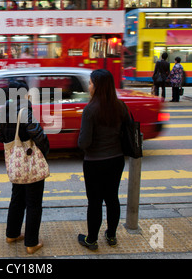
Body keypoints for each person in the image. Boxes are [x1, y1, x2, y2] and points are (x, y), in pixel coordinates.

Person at [0, 80, 49, 254]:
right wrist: (44, 151)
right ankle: (31, 243)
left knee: (17, 198)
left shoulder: (5, 110)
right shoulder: (25, 110)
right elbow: (38, 134)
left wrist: (11, 141)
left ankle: (12, 234)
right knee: (33, 203)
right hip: (30, 164)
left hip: (16, 166)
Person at [77, 69, 129, 251]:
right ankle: (112, 235)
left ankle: (91, 240)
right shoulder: (121, 106)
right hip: (116, 160)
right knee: (112, 198)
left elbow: (84, 142)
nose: (89, 86)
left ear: (97, 86)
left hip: (94, 163)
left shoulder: (90, 110)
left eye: (91, 83)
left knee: (95, 202)